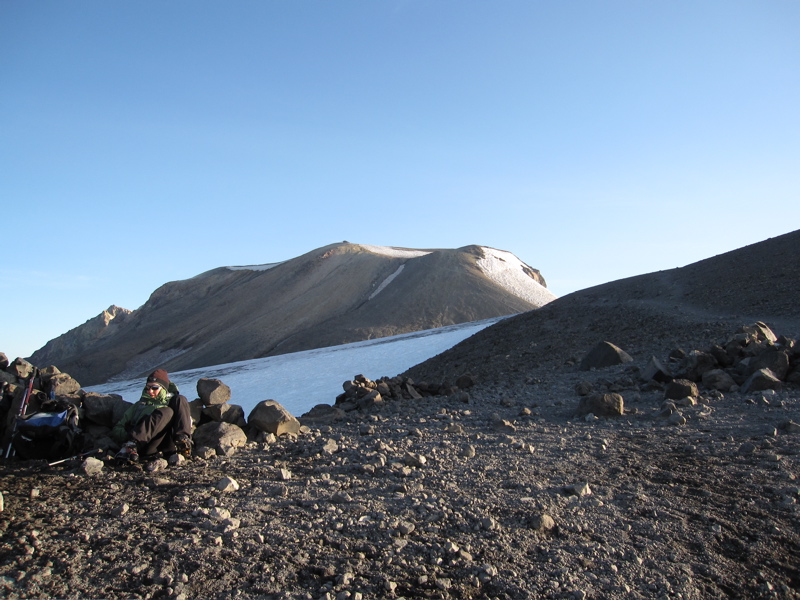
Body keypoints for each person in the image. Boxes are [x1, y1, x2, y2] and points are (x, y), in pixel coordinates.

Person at [111, 369, 192, 462]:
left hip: (169, 443)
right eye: (147, 388)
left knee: (180, 399)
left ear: (164, 388)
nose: (150, 391)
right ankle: (131, 445)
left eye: (154, 388)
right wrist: (132, 433)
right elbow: (117, 429)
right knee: (166, 411)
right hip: (145, 444)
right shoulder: (140, 405)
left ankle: (183, 441)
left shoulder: (174, 402)